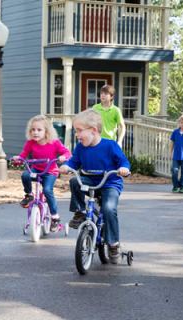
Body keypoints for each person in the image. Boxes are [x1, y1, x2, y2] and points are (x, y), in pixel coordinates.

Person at [59, 109, 130, 264]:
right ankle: (80, 212)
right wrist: (66, 166)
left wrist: (124, 169)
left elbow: (123, 162)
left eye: (79, 131)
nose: (77, 135)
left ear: (93, 130)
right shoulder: (80, 148)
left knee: (108, 209)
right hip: (90, 180)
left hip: (110, 183)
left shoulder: (110, 146)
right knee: (74, 182)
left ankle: (113, 244)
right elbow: (73, 162)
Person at [13, 115, 71, 232]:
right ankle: (29, 195)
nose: (35, 132)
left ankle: (55, 217)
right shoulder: (30, 143)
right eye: (33, 130)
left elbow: (67, 152)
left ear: (47, 131)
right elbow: (23, 155)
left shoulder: (54, 143)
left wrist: (63, 157)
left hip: (50, 171)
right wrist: (18, 159)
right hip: (36, 169)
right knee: (25, 175)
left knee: (47, 190)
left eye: (39, 130)